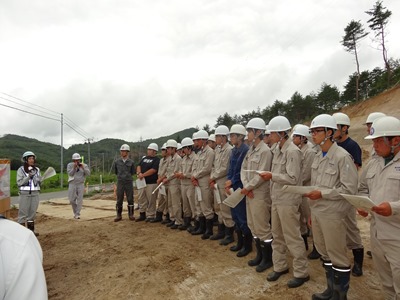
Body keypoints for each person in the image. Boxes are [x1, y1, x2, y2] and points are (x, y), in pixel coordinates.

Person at [304, 114, 358, 300]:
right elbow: (315, 185)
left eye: (317, 131)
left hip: (334, 214)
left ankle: (340, 295)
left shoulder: (343, 157)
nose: (313, 134)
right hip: (318, 212)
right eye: (312, 131)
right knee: (324, 252)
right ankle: (330, 290)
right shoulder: (318, 156)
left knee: (337, 255)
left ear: (330, 132)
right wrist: (312, 210)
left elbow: (349, 189)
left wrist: (323, 194)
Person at [261, 116, 309, 287]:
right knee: (277, 235)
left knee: (292, 237)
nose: (270, 135)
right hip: (277, 198)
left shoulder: (292, 151)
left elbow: (293, 177)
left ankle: (301, 272)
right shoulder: (277, 149)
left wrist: (271, 176)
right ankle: (280, 266)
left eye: (272, 132)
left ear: (281, 133)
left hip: (288, 200)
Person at [358, 116, 400, 299]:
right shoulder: (374, 163)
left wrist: (394, 207)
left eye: (377, 141)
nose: (373, 145)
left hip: (396, 235)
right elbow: (362, 188)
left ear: (395, 140)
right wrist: (361, 202)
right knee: (386, 281)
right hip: (376, 233)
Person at [332, 112, 365, 276]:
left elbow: (354, 170)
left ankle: (358, 262)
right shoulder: (333, 146)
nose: (333, 131)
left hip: (347, 192)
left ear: (345, 128)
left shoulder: (352, 146)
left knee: (351, 227)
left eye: (336, 127)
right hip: (334, 193)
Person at [241, 117, 274, 273]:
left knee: (262, 227)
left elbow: (262, 174)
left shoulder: (265, 151)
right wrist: (246, 186)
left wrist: (248, 186)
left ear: (258, 132)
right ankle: (260, 255)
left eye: (249, 131)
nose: (247, 134)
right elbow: (244, 170)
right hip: (250, 192)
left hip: (259, 194)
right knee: (253, 225)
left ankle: (268, 259)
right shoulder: (251, 150)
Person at [0, 215, 48, 300]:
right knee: (24, 211)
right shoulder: (17, 240)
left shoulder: (16, 240)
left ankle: (31, 226)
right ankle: (24, 224)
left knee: (32, 211)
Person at [225, 124, 251, 257]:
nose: (231, 138)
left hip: (240, 186)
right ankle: (240, 242)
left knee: (242, 216)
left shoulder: (245, 150)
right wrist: (228, 180)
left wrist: (232, 181)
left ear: (240, 137)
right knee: (234, 214)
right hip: (233, 186)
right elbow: (230, 168)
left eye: (233, 136)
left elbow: (242, 169)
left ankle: (247, 245)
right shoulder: (234, 150)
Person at [291, 124, 316, 252]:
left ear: (303, 138)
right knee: (300, 218)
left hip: (306, 189)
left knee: (309, 217)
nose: (293, 138)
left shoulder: (310, 151)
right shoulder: (300, 149)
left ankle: (316, 248)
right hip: (299, 188)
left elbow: (305, 174)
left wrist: (293, 180)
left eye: (296, 136)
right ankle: (304, 243)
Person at [209, 125, 233, 244]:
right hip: (216, 182)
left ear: (223, 137)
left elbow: (224, 168)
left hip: (223, 182)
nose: (216, 138)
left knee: (225, 208)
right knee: (218, 207)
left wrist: (213, 177)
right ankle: (221, 231)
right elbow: (214, 166)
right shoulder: (218, 149)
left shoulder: (229, 150)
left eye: (217, 136)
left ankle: (229, 235)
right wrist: (212, 178)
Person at [191, 129, 215, 239]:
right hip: (198, 182)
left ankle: (209, 230)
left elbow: (207, 168)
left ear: (202, 140)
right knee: (199, 204)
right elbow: (195, 167)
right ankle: (202, 227)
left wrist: (195, 176)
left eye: (197, 140)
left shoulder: (210, 152)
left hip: (205, 182)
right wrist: (194, 177)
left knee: (206, 205)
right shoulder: (200, 152)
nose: (195, 143)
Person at [17, 151, 42, 236]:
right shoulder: (20, 170)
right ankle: (21, 234)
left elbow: (38, 181)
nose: (32, 160)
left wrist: (40, 180)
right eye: (30, 158)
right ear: (25, 160)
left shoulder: (37, 169)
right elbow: (19, 183)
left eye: (32, 158)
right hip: (24, 193)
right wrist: (29, 177)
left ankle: (31, 232)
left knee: (32, 213)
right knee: (22, 213)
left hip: (35, 193)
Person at [175, 137, 197, 230]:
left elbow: (195, 172)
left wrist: (184, 175)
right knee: (185, 204)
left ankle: (196, 223)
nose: (183, 150)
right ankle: (186, 222)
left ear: (189, 148)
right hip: (183, 184)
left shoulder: (195, 158)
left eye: (184, 148)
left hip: (190, 184)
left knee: (193, 204)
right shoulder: (184, 159)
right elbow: (181, 169)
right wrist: (179, 174)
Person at [136, 143, 160, 222]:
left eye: (150, 150)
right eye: (148, 149)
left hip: (151, 183)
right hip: (142, 182)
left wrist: (143, 175)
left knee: (151, 199)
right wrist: (139, 173)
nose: (148, 151)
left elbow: (153, 170)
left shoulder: (156, 160)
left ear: (154, 151)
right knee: (141, 198)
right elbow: (139, 166)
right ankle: (142, 214)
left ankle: (151, 215)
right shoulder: (144, 158)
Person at [163, 139, 183, 229]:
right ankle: (173, 219)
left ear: (174, 148)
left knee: (176, 203)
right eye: (167, 148)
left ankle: (178, 221)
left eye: (169, 148)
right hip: (170, 183)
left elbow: (176, 173)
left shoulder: (178, 159)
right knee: (170, 203)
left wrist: (167, 178)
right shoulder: (170, 159)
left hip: (175, 184)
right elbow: (168, 171)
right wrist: (165, 177)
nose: (167, 150)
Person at [114, 144, 135, 222]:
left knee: (130, 198)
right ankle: (118, 215)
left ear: (127, 152)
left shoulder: (131, 162)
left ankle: (131, 214)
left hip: (128, 182)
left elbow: (133, 172)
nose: (122, 153)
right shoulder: (117, 162)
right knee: (119, 198)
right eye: (121, 151)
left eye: (124, 151)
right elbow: (116, 172)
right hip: (120, 182)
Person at [67, 153, 90, 219]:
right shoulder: (70, 165)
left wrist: (83, 168)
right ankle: (75, 211)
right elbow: (70, 174)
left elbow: (88, 173)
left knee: (80, 199)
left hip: (80, 184)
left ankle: (77, 214)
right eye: (75, 160)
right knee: (71, 200)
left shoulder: (84, 165)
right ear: (73, 160)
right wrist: (74, 168)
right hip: (72, 183)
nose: (77, 161)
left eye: (78, 160)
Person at [151, 143, 169, 223]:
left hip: (167, 182)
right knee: (161, 199)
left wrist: (160, 179)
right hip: (161, 182)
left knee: (168, 200)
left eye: (163, 150)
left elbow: (168, 172)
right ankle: (159, 215)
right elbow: (159, 171)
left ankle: (168, 217)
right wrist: (159, 178)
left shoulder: (170, 160)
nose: (162, 152)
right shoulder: (161, 160)